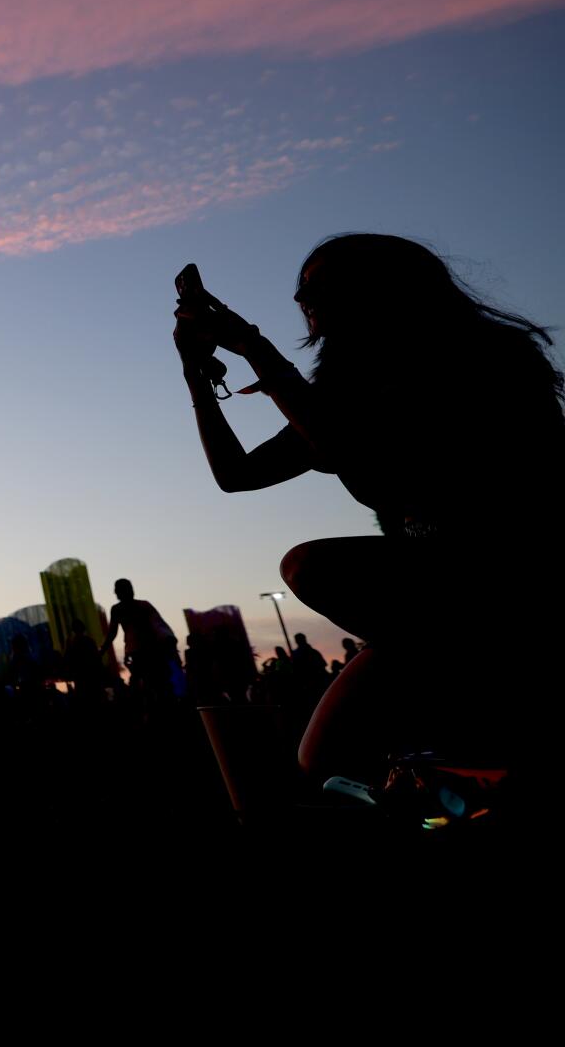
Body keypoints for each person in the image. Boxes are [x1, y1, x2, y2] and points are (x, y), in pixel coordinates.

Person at [174, 234, 564, 777]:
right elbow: (236, 476)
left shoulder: (476, 359)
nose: (301, 300)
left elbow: (361, 463)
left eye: (316, 286)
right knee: (321, 760)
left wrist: (256, 349)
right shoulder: (342, 392)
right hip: (433, 602)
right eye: (301, 289)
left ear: (384, 289)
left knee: (310, 567)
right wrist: (197, 374)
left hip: (510, 582)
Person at [109, 579, 179, 705]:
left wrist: (102, 650)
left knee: (148, 685)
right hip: (147, 652)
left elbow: (112, 633)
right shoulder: (141, 606)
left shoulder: (120, 609)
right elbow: (160, 626)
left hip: (141, 652)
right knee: (157, 684)